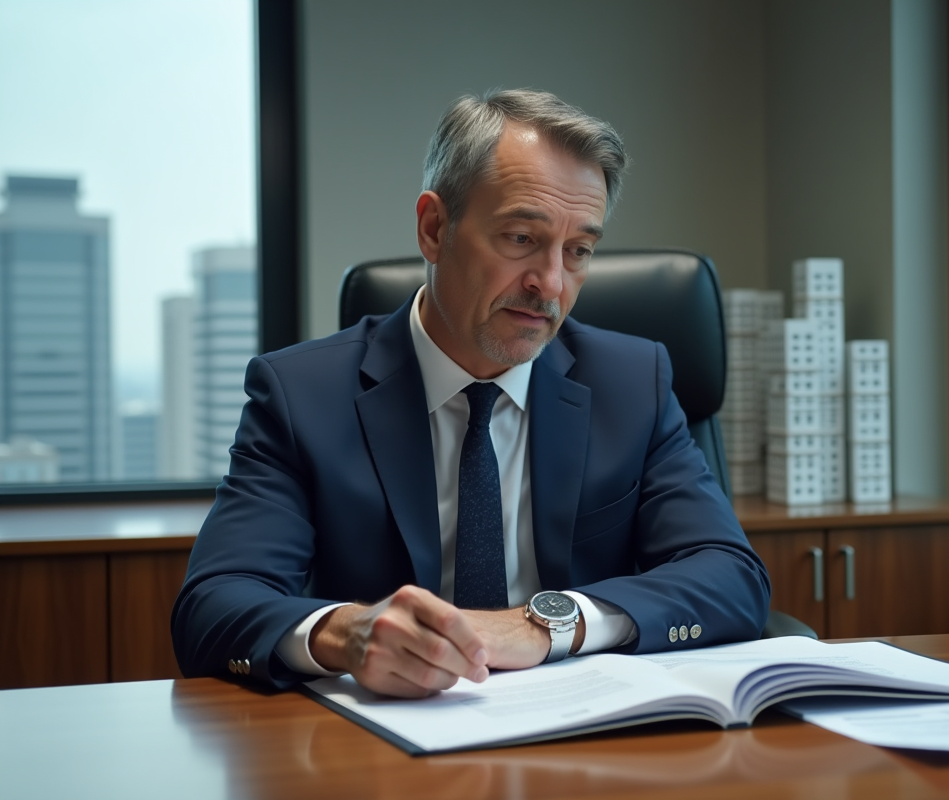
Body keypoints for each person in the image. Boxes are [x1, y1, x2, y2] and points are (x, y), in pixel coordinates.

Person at [171, 89, 770, 698]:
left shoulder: (631, 382)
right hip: (383, 751)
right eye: (519, 238)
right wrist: (346, 632)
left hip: (584, 737)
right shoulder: (302, 395)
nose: (551, 284)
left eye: (579, 250)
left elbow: (730, 576)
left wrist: (546, 625)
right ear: (434, 229)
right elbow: (214, 606)